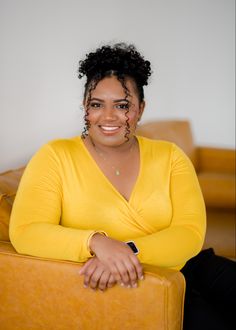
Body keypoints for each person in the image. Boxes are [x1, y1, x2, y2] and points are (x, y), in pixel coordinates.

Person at [9, 43, 235, 329]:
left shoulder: (170, 156)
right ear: (85, 108)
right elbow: (26, 232)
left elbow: (190, 232)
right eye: (96, 104)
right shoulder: (55, 156)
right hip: (144, 284)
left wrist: (125, 252)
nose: (108, 117)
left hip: (191, 265)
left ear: (140, 109)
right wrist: (97, 243)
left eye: (122, 105)